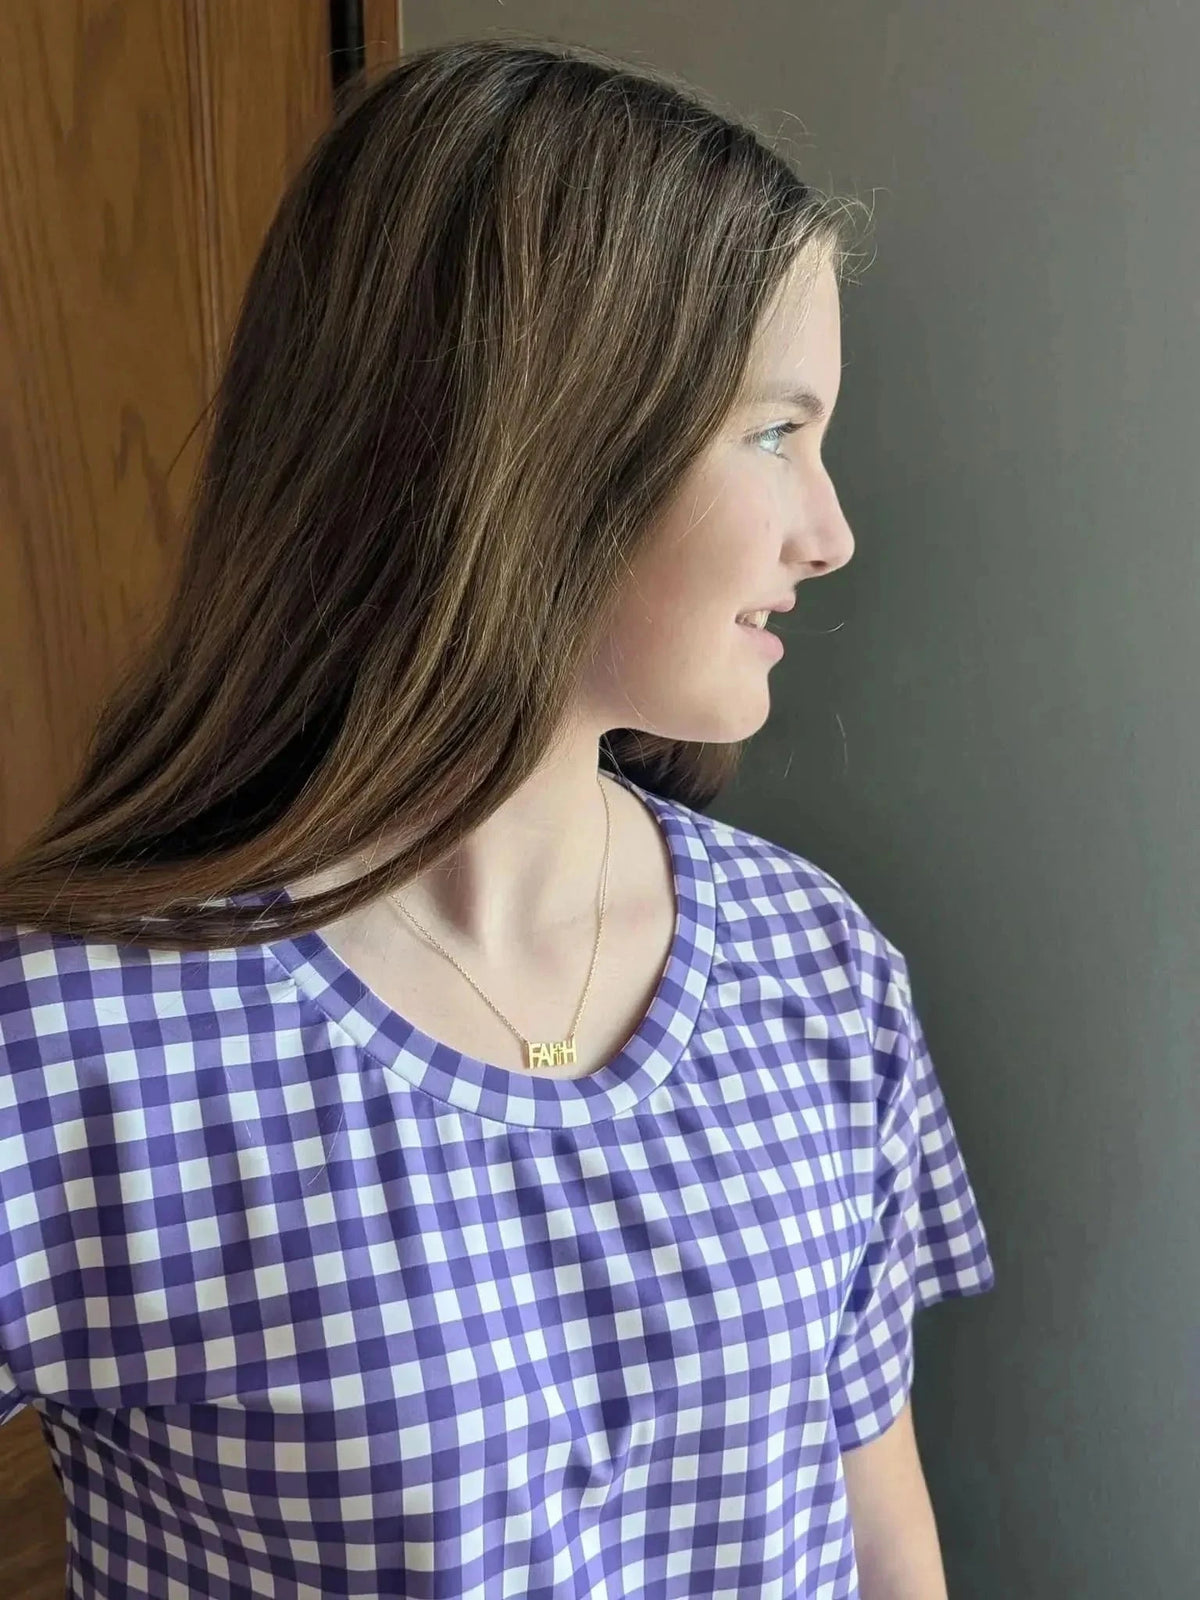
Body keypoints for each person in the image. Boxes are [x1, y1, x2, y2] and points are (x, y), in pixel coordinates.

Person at [0, 36, 994, 1600]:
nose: (832, 529)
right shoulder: (71, 1054)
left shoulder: (822, 973)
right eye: (776, 431)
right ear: (539, 440)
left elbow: (879, 1525)